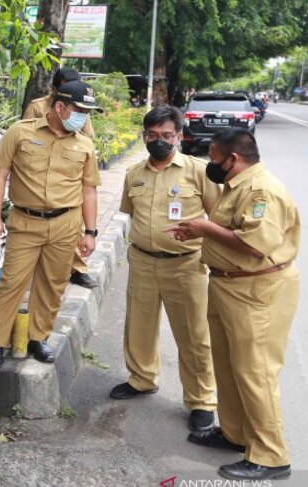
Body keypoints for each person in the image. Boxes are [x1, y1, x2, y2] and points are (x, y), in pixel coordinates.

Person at [168, 128, 300, 480]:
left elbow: (257, 244)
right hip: (228, 284)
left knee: (255, 372)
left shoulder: (262, 190)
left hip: (256, 289)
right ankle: (236, 434)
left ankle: (272, 456)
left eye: (214, 159)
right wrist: (201, 231)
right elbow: (233, 230)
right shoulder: (237, 186)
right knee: (227, 365)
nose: (211, 165)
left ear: (233, 159)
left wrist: (206, 229)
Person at [110, 106, 220, 432]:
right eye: (153, 135)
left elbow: (219, 217)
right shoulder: (134, 174)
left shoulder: (198, 172)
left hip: (185, 265)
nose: (159, 141)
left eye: (167, 136)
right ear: (144, 136)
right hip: (142, 260)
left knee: (194, 335)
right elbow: (130, 213)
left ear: (179, 136)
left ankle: (201, 400)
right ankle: (142, 378)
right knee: (139, 327)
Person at [0, 80, 102, 368]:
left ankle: (38, 338)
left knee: (53, 284)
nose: (84, 117)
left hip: (66, 224)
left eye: (88, 112)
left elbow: (89, 190)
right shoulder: (20, 132)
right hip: (25, 221)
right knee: (11, 282)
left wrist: (90, 232)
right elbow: (0, 175)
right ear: (60, 107)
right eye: (79, 110)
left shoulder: (84, 145)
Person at [22, 68, 99, 289]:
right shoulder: (37, 107)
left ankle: (77, 269)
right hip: (40, 175)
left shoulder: (79, 108)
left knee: (74, 223)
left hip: (70, 171)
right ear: (55, 88)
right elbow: (25, 139)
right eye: (65, 86)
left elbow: (87, 137)